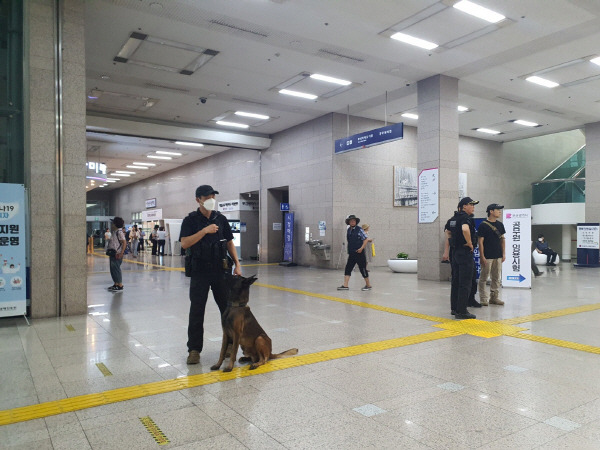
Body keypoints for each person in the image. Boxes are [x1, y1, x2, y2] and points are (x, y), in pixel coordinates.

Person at [180, 184, 242, 365]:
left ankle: (230, 345)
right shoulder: (190, 220)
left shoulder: (220, 219)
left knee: (227, 310)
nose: (211, 200)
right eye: (207, 198)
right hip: (200, 272)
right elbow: (184, 243)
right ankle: (194, 350)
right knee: (197, 311)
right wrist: (204, 231)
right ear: (198, 200)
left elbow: (229, 243)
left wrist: (237, 264)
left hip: (221, 271)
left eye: (213, 197)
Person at [448, 197, 479, 319]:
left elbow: (447, 232)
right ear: (464, 206)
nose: (473, 207)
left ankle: (454, 308)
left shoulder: (453, 219)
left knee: (455, 281)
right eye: (471, 205)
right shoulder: (466, 218)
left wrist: (452, 242)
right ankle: (462, 311)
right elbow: (465, 229)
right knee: (465, 283)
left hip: (455, 253)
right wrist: (470, 243)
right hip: (465, 253)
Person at [478, 204, 506, 306]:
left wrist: (503, 253)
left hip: (498, 255)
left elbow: (502, 240)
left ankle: (494, 298)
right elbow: (480, 242)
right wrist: (482, 256)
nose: (500, 212)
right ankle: (483, 298)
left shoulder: (500, 225)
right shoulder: (483, 225)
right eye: (497, 210)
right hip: (487, 256)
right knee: (484, 278)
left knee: (496, 277)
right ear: (491, 211)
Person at [337, 215, 372, 291]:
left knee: (362, 269)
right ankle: (345, 285)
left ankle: (368, 285)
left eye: (354, 221)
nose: (353, 222)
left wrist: (361, 248)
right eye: (351, 221)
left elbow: (365, 239)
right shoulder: (349, 230)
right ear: (349, 222)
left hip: (359, 253)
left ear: (356, 222)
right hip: (352, 253)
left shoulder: (359, 230)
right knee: (348, 268)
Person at [107, 216, 126, 291]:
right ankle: (116, 284)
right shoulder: (114, 232)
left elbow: (124, 243)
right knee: (113, 269)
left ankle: (120, 284)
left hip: (117, 253)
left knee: (116, 269)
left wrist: (121, 253)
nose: (112, 225)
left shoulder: (119, 232)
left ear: (115, 224)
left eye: (113, 223)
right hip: (112, 253)